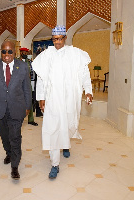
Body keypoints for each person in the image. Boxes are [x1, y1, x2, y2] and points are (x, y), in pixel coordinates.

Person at [32, 25, 93, 179]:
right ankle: (55, 164)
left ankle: (65, 145)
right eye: (54, 39)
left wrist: (89, 90)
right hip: (53, 99)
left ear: (65, 38)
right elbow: (41, 78)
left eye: (59, 39)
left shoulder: (75, 53)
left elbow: (84, 73)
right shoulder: (46, 55)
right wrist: (41, 97)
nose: (57, 42)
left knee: (68, 124)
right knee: (52, 128)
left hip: (70, 98)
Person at [0, 41, 32, 180]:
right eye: (4, 51)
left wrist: (28, 106)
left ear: (14, 52)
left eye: (10, 51)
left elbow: (27, 88)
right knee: (4, 136)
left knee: (15, 136)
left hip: (17, 108)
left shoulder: (22, 66)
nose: (7, 54)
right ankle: (9, 153)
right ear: (1, 52)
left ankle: (15, 166)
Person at [18, 47, 38, 126]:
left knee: (29, 101)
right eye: (23, 52)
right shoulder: (16, 61)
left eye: (26, 53)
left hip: (28, 84)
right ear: (20, 53)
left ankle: (31, 119)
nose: (25, 54)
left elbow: (32, 73)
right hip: (18, 85)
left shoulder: (29, 62)